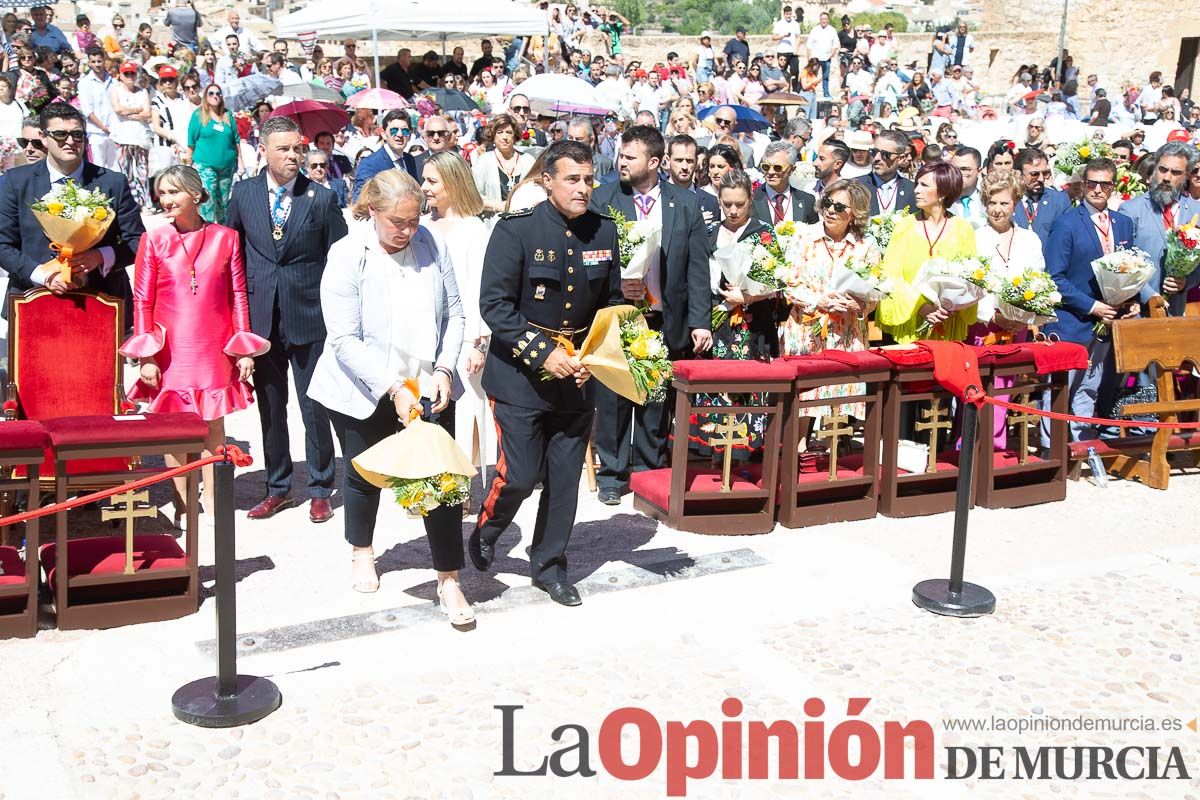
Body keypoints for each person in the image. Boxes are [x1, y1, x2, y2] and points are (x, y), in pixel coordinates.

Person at [305, 170, 472, 625]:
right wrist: (393, 389)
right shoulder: (346, 254)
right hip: (363, 384)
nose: (407, 229)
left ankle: (449, 579)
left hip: (427, 381)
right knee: (364, 472)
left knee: (442, 478)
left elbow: (455, 312)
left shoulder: (432, 244)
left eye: (415, 219)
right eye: (397, 221)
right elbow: (343, 338)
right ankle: (362, 549)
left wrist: (443, 368)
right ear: (372, 211)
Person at [467, 141, 620, 606]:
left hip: (576, 375)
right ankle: (489, 527)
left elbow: (611, 301)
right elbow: (494, 305)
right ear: (546, 181)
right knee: (521, 473)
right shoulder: (516, 231)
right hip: (519, 375)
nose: (583, 188)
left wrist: (596, 356)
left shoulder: (604, 231)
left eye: (588, 179)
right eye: (572, 179)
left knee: (563, 477)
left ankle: (549, 565)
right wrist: (542, 352)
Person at [120, 165, 267, 527]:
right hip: (171, 350)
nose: (166, 200)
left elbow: (237, 296)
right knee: (176, 431)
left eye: (174, 192)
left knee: (213, 428)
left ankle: (216, 504)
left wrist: (243, 347)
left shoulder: (226, 237)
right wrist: (147, 356)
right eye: (162, 193)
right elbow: (142, 300)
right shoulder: (153, 239)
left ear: (196, 195)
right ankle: (185, 504)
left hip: (214, 346)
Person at [226, 116, 348, 523]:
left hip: (310, 316)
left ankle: (319, 487)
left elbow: (341, 258)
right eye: (284, 149)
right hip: (262, 320)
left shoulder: (321, 198)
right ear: (264, 150)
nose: (294, 155)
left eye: (297, 148)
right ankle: (278, 488)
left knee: (315, 407)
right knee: (271, 408)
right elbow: (232, 254)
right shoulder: (243, 194)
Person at [590, 125, 712, 505]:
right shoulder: (603, 199)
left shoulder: (685, 203)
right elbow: (592, 258)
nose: (620, 161)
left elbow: (696, 267)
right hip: (618, 317)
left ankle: (648, 469)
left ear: (654, 162)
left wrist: (699, 321)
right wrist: (615, 285)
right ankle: (612, 472)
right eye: (620, 155)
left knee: (655, 399)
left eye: (630, 156)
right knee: (612, 399)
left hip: (663, 317)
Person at [0, 103, 144, 305]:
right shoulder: (16, 181)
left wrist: (100, 256)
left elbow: (138, 241)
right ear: (43, 137)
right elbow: (3, 244)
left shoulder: (113, 182)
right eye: (60, 134)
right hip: (31, 299)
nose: (70, 141)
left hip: (101, 299)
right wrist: (43, 275)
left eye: (77, 134)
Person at [1042, 158, 1138, 441]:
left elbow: (1127, 269)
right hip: (1074, 320)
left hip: (1107, 321)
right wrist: (1092, 306)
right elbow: (1055, 277)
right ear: (1082, 185)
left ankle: (1083, 442)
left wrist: (1129, 299)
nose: (1097, 189)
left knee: (1090, 385)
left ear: (1113, 186)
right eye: (1091, 183)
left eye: (1104, 183)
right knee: (1061, 387)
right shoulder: (1066, 224)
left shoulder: (1123, 223)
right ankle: (1052, 448)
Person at [686, 169, 778, 457]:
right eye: (727, 204)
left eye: (739, 203)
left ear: (751, 199)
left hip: (754, 327)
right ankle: (714, 452)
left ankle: (748, 452)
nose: (733, 210)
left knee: (750, 387)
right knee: (716, 385)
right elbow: (697, 281)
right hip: (718, 323)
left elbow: (777, 282)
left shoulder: (764, 232)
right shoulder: (709, 232)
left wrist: (748, 295)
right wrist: (700, 322)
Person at [780, 179, 882, 428]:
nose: (831, 210)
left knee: (840, 401)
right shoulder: (803, 236)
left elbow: (875, 294)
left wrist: (855, 305)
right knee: (805, 396)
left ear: (854, 213)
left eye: (839, 207)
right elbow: (789, 284)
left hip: (847, 334)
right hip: (806, 329)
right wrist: (820, 301)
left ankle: (833, 455)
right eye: (827, 203)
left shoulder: (866, 245)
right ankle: (798, 450)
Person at [420, 152, 493, 480]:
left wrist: (480, 343)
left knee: (464, 412)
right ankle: (427, 482)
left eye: (432, 181)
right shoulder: (420, 226)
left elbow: (482, 288)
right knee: (426, 407)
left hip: (465, 337)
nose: (424, 187)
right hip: (423, 335)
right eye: (424, 179)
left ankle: (458, 484)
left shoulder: (474, 230)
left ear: (453, 182)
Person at [878, 161, 978, 342]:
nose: (916, 190)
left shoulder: (963, 229)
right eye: (917, 184)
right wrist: (921, 306)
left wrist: (951, 304)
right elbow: (890, 275)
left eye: (924, 185)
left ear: (944, 192)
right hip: (911, 319)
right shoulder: (904, 226)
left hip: (948, 321)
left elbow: (972, 276)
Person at [1121, 142, 1200, 316]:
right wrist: (1150, 295)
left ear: (1186, 176)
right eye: (1163, 169)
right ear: (1154, 169)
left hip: (1177, 312)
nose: (1167, 177)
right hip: (1138, 313)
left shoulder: (1196, 212)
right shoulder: (1130, 210)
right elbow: (1122, 262)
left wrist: (1186, 282)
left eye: (1176, 172)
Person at [187, 82, 241, 223]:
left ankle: (222, 230)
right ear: (206, 96)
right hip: (205, 165)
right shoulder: (198, 115)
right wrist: (187, 165)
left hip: (226, 165)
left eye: (218, 93)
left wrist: (241, 161)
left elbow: (236, 140)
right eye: (211, 93)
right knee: (208, 199)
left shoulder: (228, 115)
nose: (215, 96)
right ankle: (207, 227)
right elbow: (191, 142)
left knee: (223, 201)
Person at [471, 113, 535, 214]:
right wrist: (498, 206)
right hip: (494, 222)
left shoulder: (528, 161)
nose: (504, 137)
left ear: (515, 136)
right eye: (499, 132)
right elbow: (472, 197)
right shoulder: (483, 161)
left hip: (524, 221)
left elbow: (538, 193)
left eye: (509, 132)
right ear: (493, 135)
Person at [108, 61, 151, 209]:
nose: (130, 76)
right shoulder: (115, 90)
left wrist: (131, 113)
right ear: (120, 75)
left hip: (140, 136)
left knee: (142, 170)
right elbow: (118, 109)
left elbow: (148, 113)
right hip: (123, 136)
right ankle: (129, 202)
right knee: (125, 171)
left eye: (132, 73)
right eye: (126, 73)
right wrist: (138, 109)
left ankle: (145, 202)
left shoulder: (142, 91)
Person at [352, 109, 418, 201]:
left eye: (405, 131)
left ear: (410, 135)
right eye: (394, 130)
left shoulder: (409, 160)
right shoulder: (369, 164)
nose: (399, 134)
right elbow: (360, 201)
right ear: (383, 134)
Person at [1013, 146, 1072, 244]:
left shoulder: (1059, 201)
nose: (1041, 179)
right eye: (1034, 174)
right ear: (1019, 174)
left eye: (1045, 173)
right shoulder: (1007, 200)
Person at [752, 141, 816, 226]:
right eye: (766, 167)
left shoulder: (807, 201)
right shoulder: (751, 200)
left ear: (792, 170)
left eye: (777, 168)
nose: (770, 172)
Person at [856, 129, 917, 216]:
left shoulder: (912, 190)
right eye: (874, 152)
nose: (877, 158)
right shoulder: (856, 186)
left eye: (885, 154)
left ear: (900, 158)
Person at [665, 134, 719, 224]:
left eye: (689, 161)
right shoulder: (656, 198)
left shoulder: (710, 202)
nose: (685, 167)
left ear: (696, 162)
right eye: (679, 160)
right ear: (668, 160)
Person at [950, 146, 985, 228]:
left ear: (979, 171)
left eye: (965, 169)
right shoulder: (942, 202)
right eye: (954, 169)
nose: (958, 174)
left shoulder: (988, 200)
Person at [806, 12, 838, 99]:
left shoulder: (832, 30)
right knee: (813, 75)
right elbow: (809, 44)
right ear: (820, 20)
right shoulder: (815, 30)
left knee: (826, 76)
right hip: (816, 58)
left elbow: (835, 44)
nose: (824, 21)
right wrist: (810, 58)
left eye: (825, 19)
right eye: (822, 19)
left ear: (828, 20)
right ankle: (812, 92)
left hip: (827, 57)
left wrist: (831, 55)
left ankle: (826, 93)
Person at [771, 6, 802, 88]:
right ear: (784, 14)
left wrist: (796, 48)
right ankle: (782, 89)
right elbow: (773, 37)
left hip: (792, 52)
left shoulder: (795, 24)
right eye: (787, 14)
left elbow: (798, 37)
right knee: (782, 72)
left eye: (790, 14)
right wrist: (782, 36)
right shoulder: (779, 24)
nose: (789, 16)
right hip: (782, 50)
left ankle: (795, 90)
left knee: (795, 71)